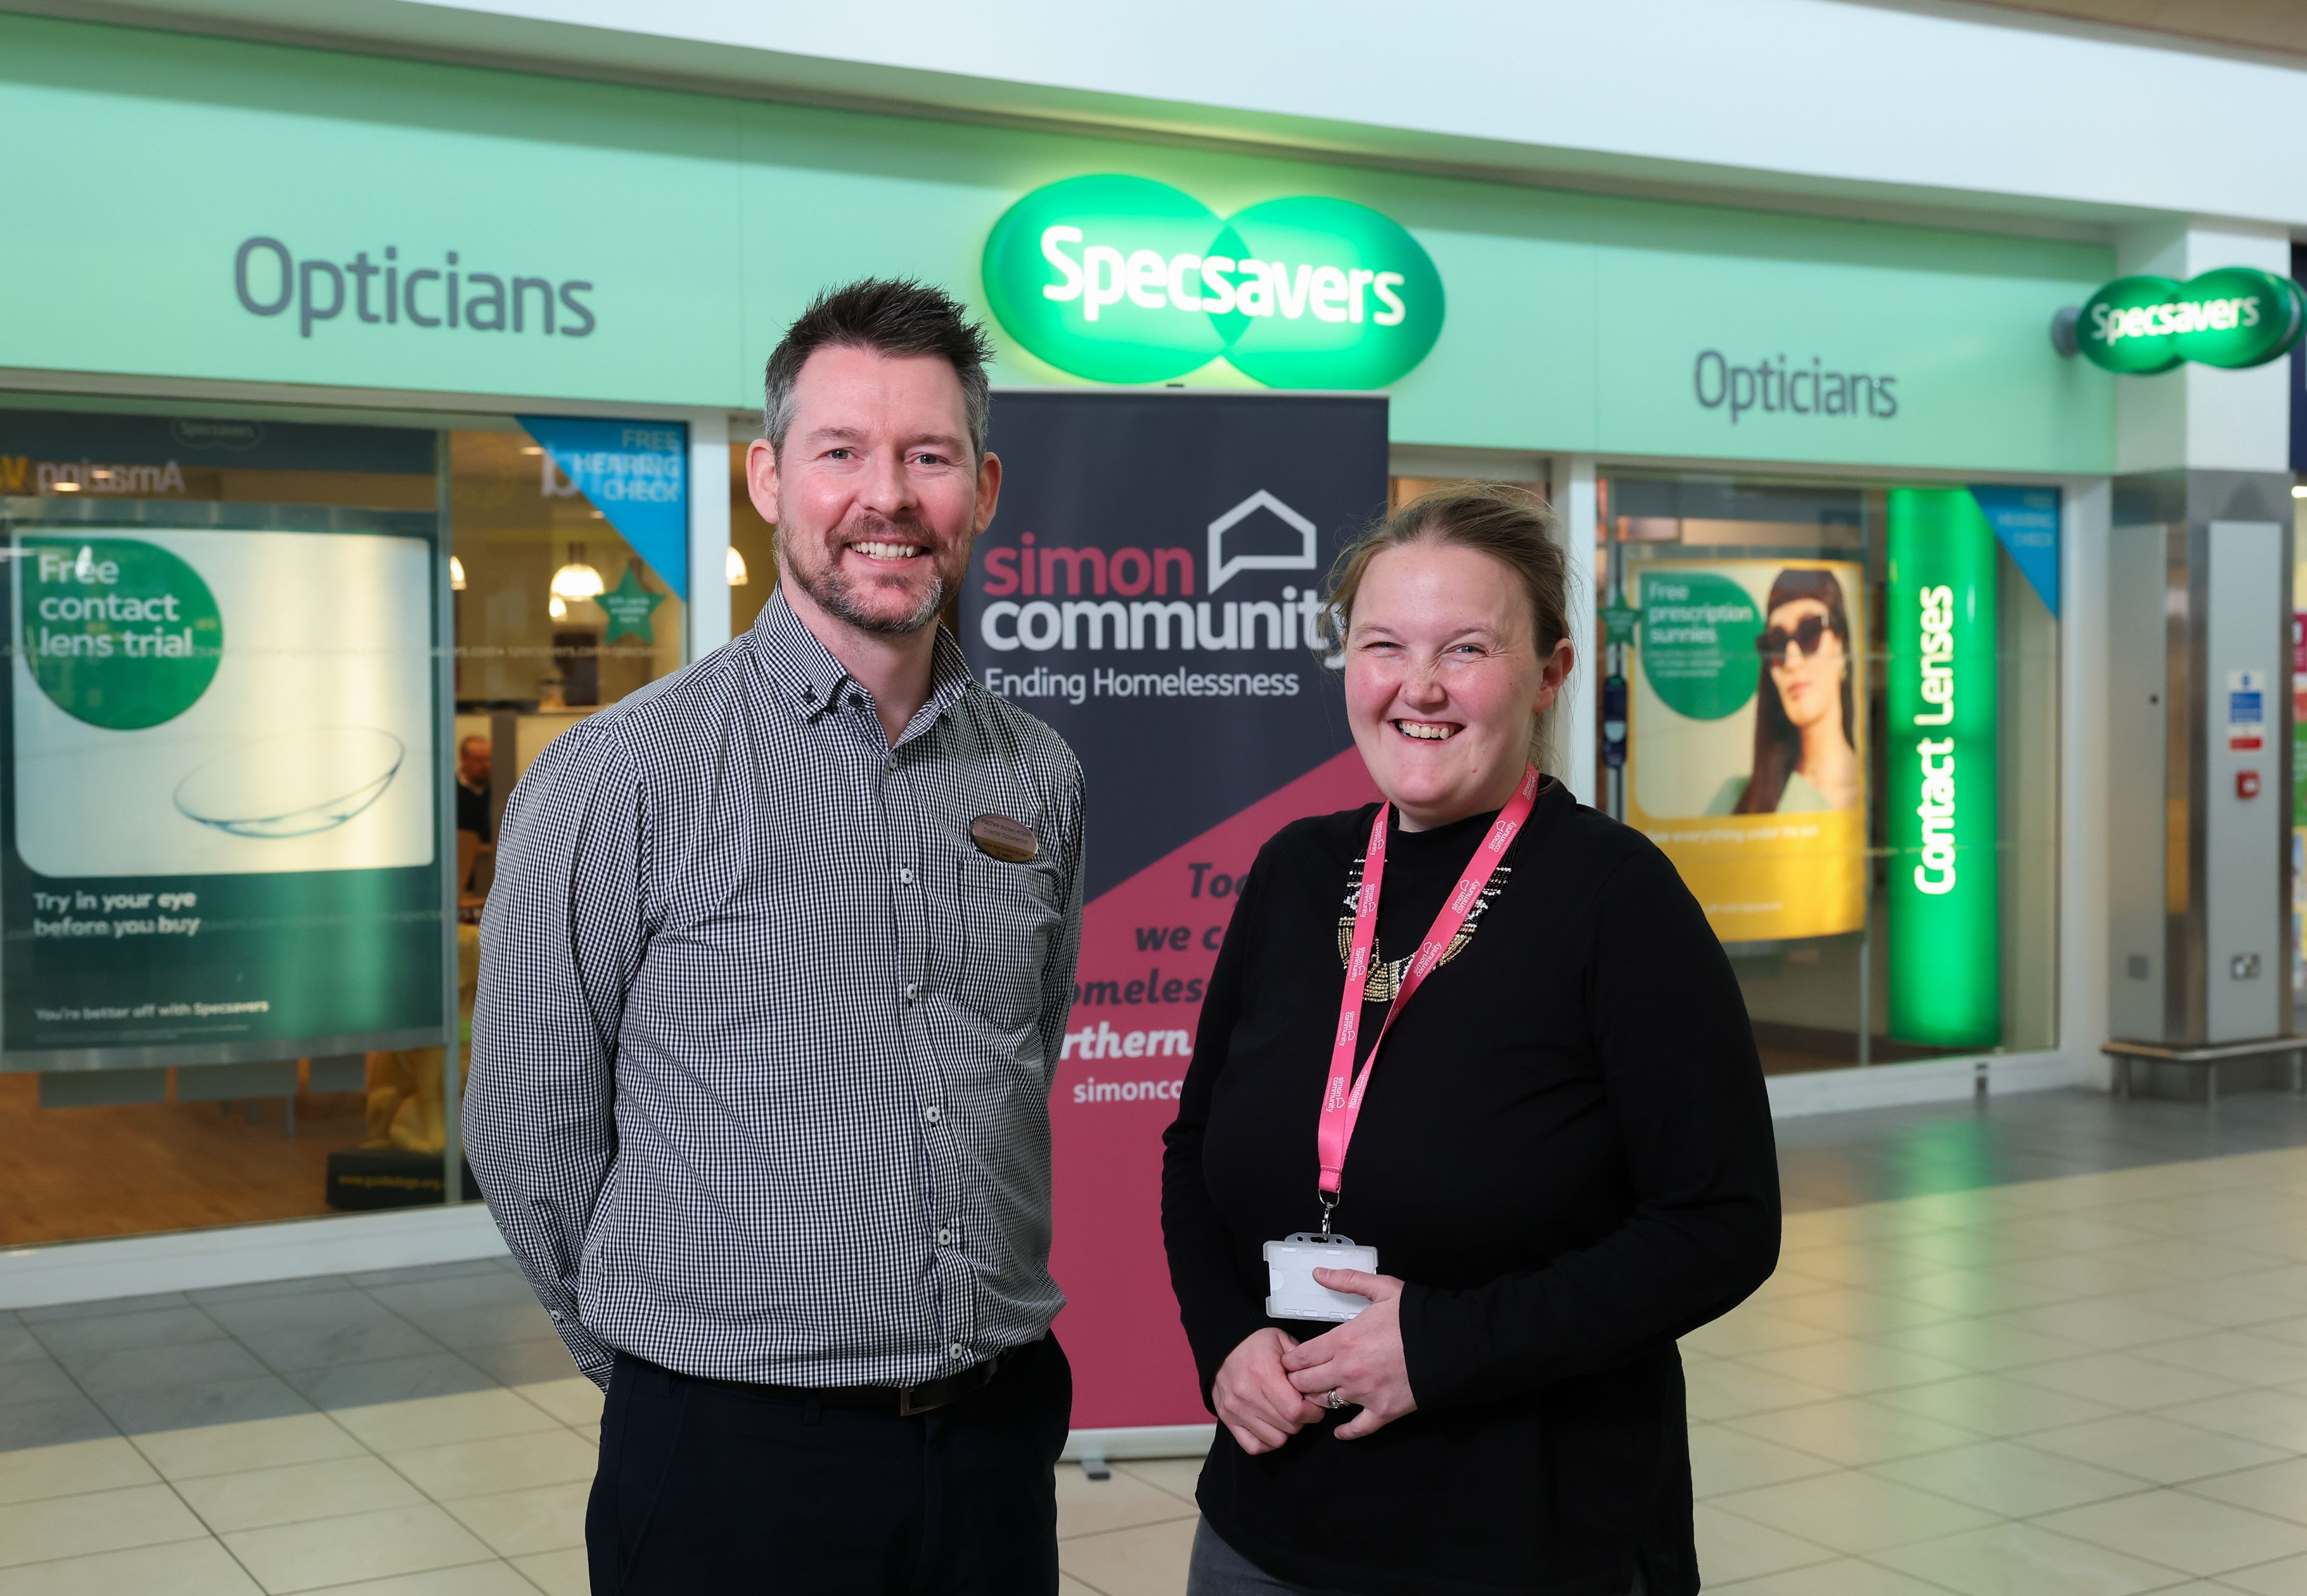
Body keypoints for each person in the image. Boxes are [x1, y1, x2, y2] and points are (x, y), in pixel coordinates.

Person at [464, 278, 1086, 1596]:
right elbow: (526, 1122)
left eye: (926, 455)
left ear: (979, 485)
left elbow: (1029, 1042)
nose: (887, 495)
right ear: (766, 477)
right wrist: (661, 1355)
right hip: (728, 1454)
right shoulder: (617, 776)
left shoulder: (1036, 776)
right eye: (840, 451)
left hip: (990, 1434)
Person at [1161, 485, 1780, 1596]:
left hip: (1527, 1530)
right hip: (1270, 1514)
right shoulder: (1295, 872)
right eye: (1383, 645)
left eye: (1468, 648)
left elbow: (1722, 1222)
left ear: (1550, 672)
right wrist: (1225, 1342)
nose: (1421, 687)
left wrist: (1444, 1343)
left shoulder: (1616, 898)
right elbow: (1193, 1148)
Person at [1706, 568, 1860, 814]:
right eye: (1776, 644)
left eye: (1810, 633)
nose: (1791, 660)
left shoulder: (1875, 790)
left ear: (1841, 645)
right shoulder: (1735, 799)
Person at [454, 733, 492, 842]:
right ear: (463, 759)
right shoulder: (450, 793)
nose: (486, 766)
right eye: (479, 760)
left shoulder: (500, 792)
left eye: (489, 759)